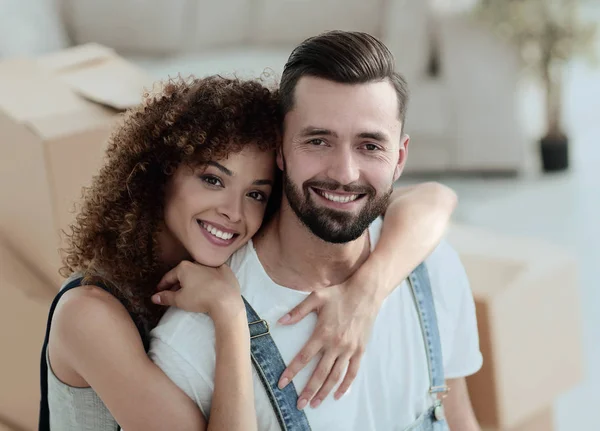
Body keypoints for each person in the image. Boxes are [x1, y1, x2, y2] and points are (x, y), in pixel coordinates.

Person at [40, 75, 457, 430]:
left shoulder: (213, 262)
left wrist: (366, 291)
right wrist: (230, 313)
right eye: (213, 180)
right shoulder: (90, 313)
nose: (233, 212)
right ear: (160, 175)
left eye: (256, 193)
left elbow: (434, 200)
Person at [149, 31, 483, 431]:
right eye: (319, 140)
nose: (344, 173)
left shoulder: (433, 269)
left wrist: (368, 289)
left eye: (370, 146)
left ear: (400, 157)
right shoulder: (192, 340)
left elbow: (459, 418)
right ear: (280, 149)